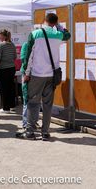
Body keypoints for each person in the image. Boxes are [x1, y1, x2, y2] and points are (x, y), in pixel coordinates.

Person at [18, 13, 70, 141]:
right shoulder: (58, 34)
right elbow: (67, 35)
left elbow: (28, 56)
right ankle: (45, 133)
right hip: (51, 75)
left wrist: (26, 73)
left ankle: (30, 132)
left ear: (44, 21)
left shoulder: (35, 34)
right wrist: (59, 26)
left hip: (37, 74)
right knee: (47, 105)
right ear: (55, 23)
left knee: (33, 103)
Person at [0, 29, 17, 114]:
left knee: (3, 88)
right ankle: (12, 106)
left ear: (3, 36)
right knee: (11, 87)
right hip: (12, 68)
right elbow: (15, 57)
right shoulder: (12, 44)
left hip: (3, 68)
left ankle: (5, 108)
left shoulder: (1, 45)